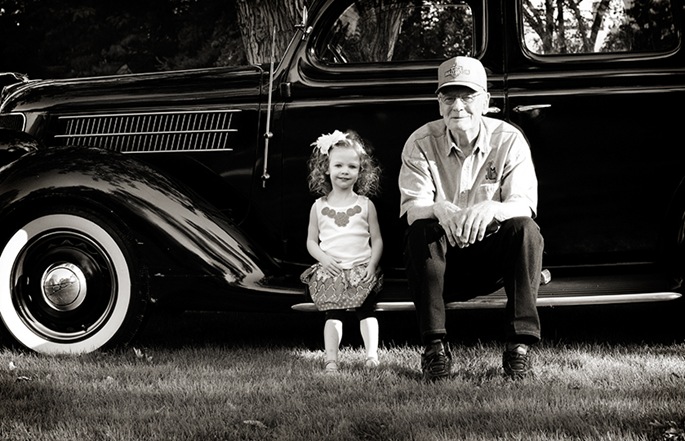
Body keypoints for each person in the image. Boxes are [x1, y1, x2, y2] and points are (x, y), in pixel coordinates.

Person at [398, 56, 544, 380]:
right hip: (442, 264)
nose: (458, 106)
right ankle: (435, 348)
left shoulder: (509, 139)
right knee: (420, 231)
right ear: (439, 103)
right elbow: (412, 209)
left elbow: (524, 203)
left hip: (492, 261)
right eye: (449, 97)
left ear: (486, 101)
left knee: (526, 230)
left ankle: (518, 347)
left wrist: (492, 208)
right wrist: (439, 208)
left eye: (468, 96)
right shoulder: (420, 142)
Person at [301, 129, 384, 373]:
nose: (345, 171)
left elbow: (377, 240)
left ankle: (371, 356)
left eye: (352, 166)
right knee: (333, 314)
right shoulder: (318, 207)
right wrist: (324, 259)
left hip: (361, 270)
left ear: (360, 171)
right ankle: (331, 360)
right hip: (333, 271)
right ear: (326, 168)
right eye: (338, 165)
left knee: (367, 312)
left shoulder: (365, 205)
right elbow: (311, 242)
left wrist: (372, 265)